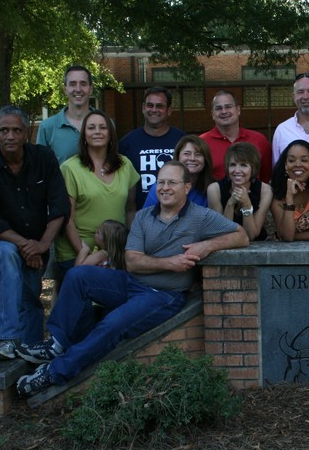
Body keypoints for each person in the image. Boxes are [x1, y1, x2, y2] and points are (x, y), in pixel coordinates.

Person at [16, 161, 248, 396]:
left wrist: (206, 245)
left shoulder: (201, 217)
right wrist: (170, 263)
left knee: (112, 324)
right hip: (131, 282)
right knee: (78, 275)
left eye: (172, 182)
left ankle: (55, 372)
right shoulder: (143, 216)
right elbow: (132, 262)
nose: (165, 188)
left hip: (163, 296)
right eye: (161, 182)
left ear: (187, 187)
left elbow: (241, 236)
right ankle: (57, 343)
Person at [0, 106, 69, 360]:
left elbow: (59, 206)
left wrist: (42, 245)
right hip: (2, 236)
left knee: (29, 293)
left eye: (16, 130)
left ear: (27, 133)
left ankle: (30, 348)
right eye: (4, 130)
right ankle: (7, 340)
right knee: (8, 254)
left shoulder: (44, 158)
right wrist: (27, 245)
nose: (10, 136)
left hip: (38, 238)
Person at [55, 110, 139, 281]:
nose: (97, 132)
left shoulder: (125, 165)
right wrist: (85, 255)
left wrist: (130, 248)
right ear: (84, 135)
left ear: (111, 134)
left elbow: (130, 209)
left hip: (114, 252)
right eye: (91, 127)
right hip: (77, 253)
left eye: (103, 127)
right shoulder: (70, 168)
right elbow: (67, 219)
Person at [119, 86, 185, 208]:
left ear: (169, 110)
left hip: (178, 213)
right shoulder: (127, 143)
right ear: (143, 108)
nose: (154, 110)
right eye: (150, 105)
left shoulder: (182, 141)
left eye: (159, 106)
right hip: (139, 213)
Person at [207, 142, 274, 242]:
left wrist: (246, 204)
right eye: (233, 165)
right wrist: (230, 203)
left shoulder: (265, 190)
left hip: (258, 244)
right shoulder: (214, 189)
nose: (237, 170)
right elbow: (222, 233)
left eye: (243, 165)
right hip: (225, 244)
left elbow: (251, 236)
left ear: (253, 168)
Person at [200, 90, 273, 182]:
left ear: (238, 110)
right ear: (213, 114)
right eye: (218, 108)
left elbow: (265, 176)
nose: (224, 111)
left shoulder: (259, 140)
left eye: (228, 107)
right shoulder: (202, 143)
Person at [37, 65, 94, 164]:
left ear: (91, 89)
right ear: (65, 89)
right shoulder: (47, 127)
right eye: (72, 84)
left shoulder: (106, 125)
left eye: (83, 84)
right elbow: (40, 166)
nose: (78, 89)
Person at [143, 135, 213, 209]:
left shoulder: (211, 188)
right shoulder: (160, 187)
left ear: (205, 159)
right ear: (178, 157)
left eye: (198, 154)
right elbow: (146, 215)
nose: (192, 158)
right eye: (187, 154)